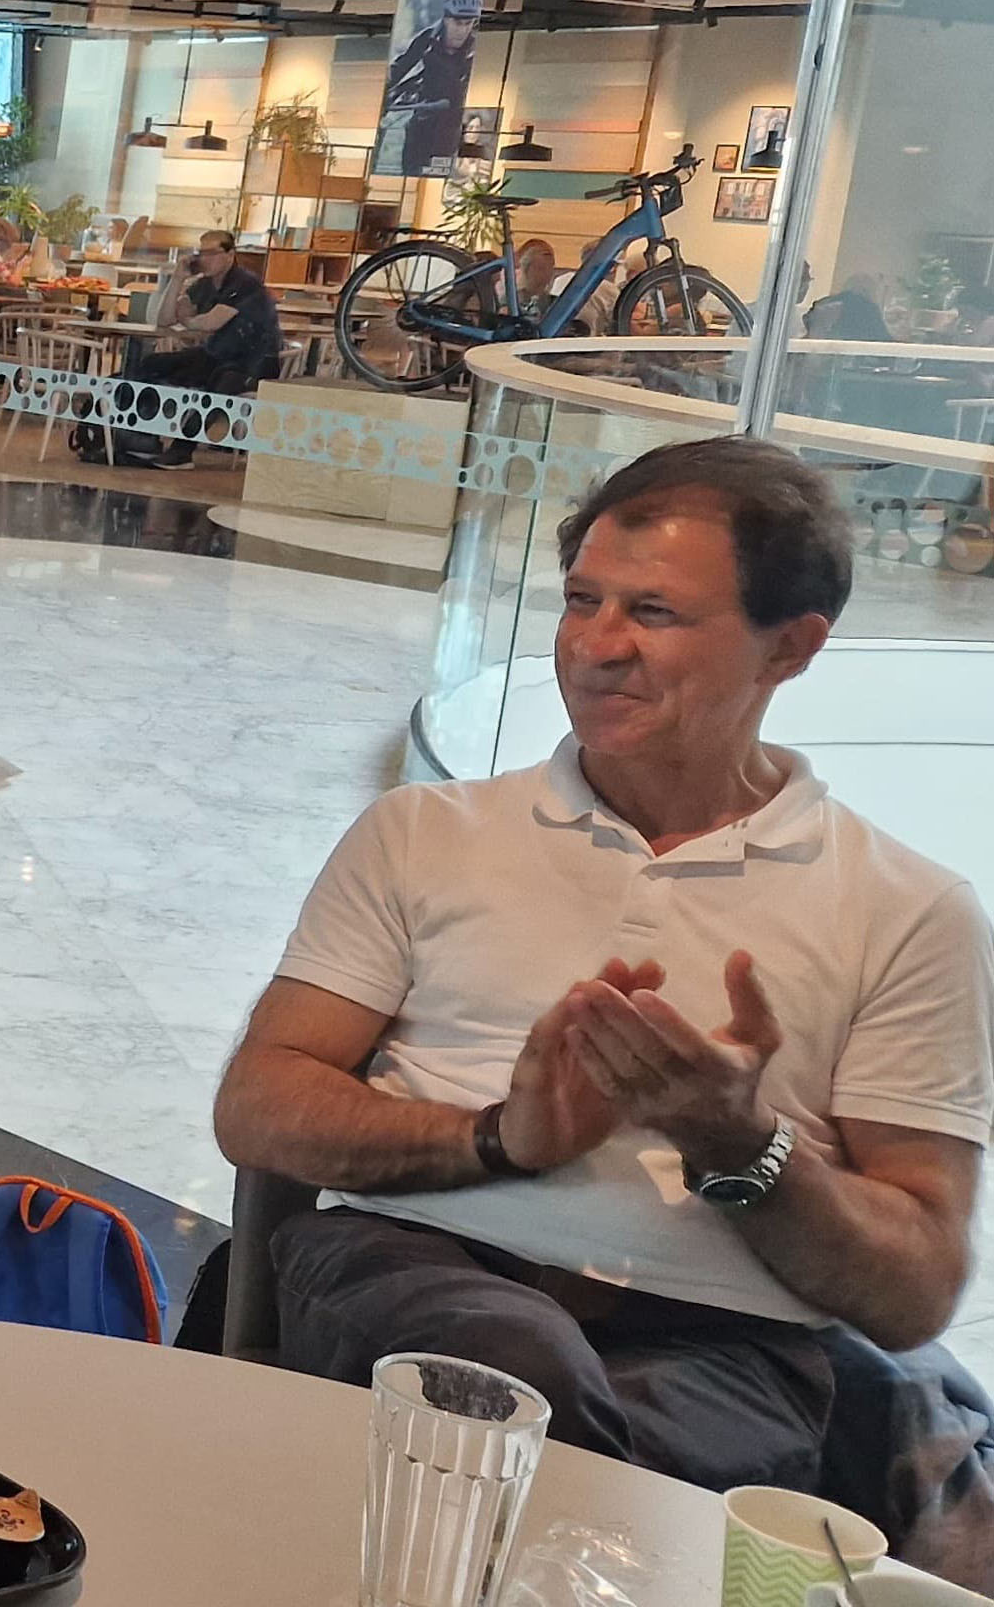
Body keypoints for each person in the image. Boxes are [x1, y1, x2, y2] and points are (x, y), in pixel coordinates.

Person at [213, 437, 994, 1575]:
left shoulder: (909, 910)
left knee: (605, 1472)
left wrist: (738, 1145)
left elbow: (915, 1283)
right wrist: (498, 1138)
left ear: (792, 645)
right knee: (511, 1371)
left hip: (724, 1344)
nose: (595, 646)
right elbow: (257, 1105)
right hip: (417, 1265)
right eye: (582, 601)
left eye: (654, 613)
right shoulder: (426, 833)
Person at [119, 229, 282, 469]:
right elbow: (164, 319)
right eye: (201, 253)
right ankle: (142, 437)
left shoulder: (246, 284)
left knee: (220, 383)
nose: (204, 259)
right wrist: (177, 279)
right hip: (217, 355)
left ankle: (182, 451)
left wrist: (187, 319)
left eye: (211, 253)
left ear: (230, 255)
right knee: (152, 364)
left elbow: (209, 323)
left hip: (254, 363)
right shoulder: (204, 285)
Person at [381, 0, 482, 175]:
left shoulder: (473, 52)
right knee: (410, 170)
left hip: (450, 129)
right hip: (422, 121)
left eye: (468, 23)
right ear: (446, 18)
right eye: (457, 22)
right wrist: (384, 95)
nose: (462, 30)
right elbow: (399, 68)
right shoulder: (426, 40)